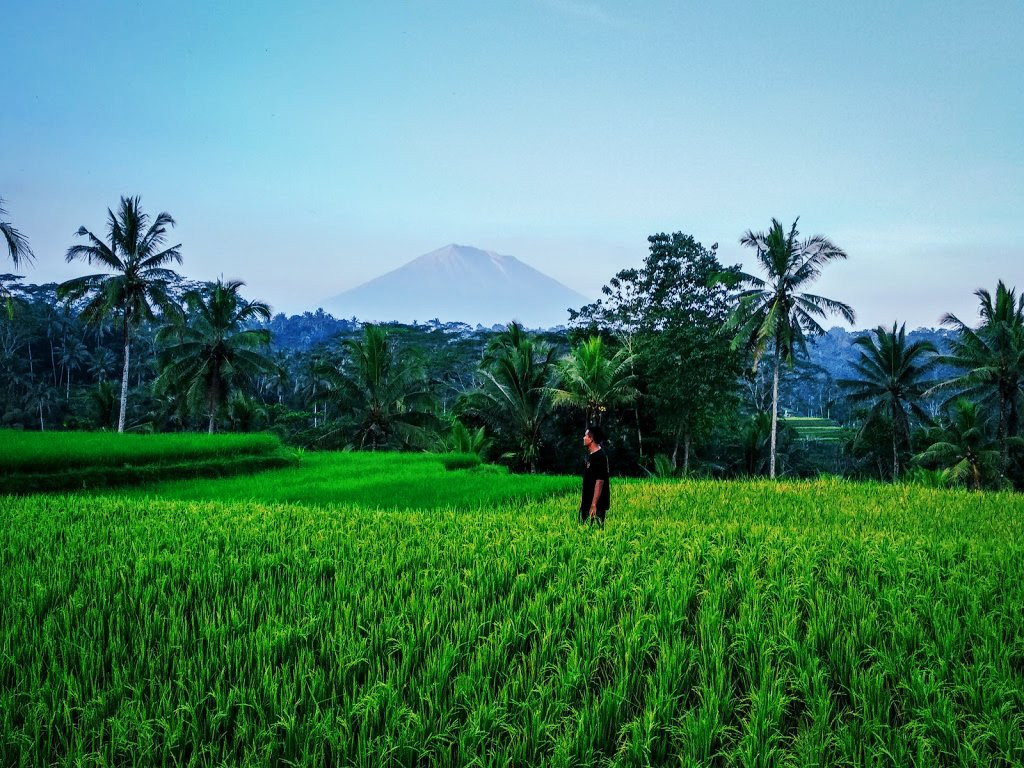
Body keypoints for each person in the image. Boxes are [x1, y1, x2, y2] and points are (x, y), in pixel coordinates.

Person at [580, 424, 610, 526]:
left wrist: (594, 504)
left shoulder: (600, 457)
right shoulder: (591, 456)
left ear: (591, 439)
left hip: (596, 504)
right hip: (587, 501)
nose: (583, 438)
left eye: (586, 436)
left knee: (595, 531)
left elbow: (600, 481)